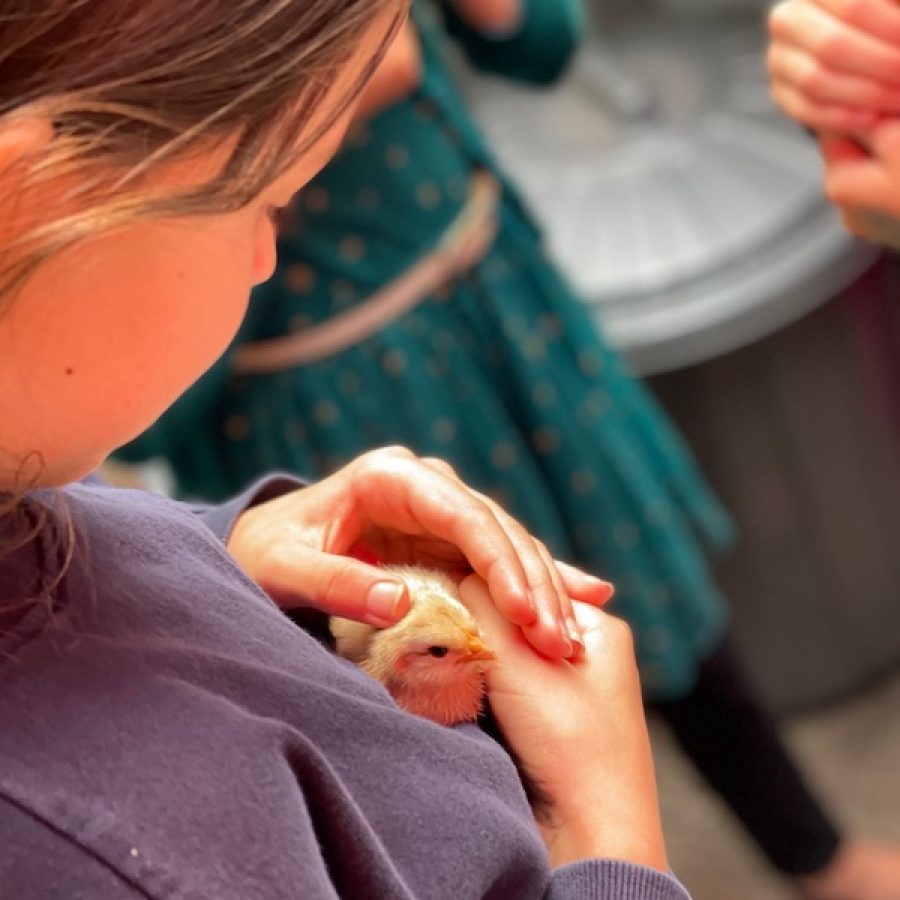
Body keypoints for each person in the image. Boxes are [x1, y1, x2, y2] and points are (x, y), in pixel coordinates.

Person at [113, 2, 900, 897]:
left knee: (644, 597)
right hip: (326, 408)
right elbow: (145, 412)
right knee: (447, 721)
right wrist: (256, 169)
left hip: (506, 326)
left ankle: (813, 853)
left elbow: (545, 46)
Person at [0, 1, 701, 898]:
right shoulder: (120, 852)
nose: (264, 257)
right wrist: (608, 840)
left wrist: (216, 559)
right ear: (42, 200)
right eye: (266, 200)